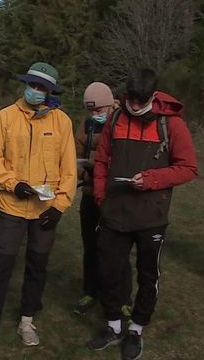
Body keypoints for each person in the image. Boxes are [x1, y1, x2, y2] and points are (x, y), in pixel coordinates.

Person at [0, 62, 77, 360]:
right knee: (0, 267)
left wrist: (60, 206)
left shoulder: (62, 122)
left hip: (45, 211)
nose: (36, 91)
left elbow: (68, 169)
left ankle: (27, 320)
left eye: (43, 88)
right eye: (33, 85)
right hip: (11, 207)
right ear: (25, 84)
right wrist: (13, 184)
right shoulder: (5, 117)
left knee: (37, 267)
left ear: (51, 91)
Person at [87, 68, 198, 360]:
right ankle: (113, 325)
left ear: (153, 95)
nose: (135, 106)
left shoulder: (171, 124)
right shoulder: (115, 118)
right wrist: (101, 195)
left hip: (151, 216)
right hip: (114, 213)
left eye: (141, 100)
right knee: (109, 270)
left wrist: (152, 180)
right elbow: (100, 161)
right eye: (131, 99)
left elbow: (188, 168)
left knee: (148, 275)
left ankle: (136, 328)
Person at [74, 82, 132, 317]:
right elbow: (74, 155)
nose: (94, 116)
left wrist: (98, 163)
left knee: (117, 251)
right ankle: (91, 291)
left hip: (115, 198)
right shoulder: (86, 125)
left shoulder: (124, 122)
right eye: (90, 111)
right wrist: (85, 169)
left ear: (110, 106)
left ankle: (123, 299)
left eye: (98, 111)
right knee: (90, 247)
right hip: (89, 195)